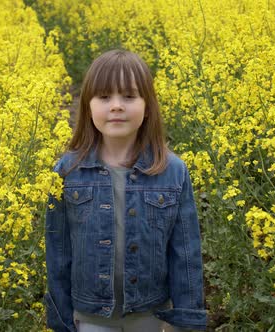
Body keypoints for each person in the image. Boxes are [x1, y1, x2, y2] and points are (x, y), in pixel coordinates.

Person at [44, 49, 207, 332]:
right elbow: (58, 251)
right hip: (90, 316)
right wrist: (61, 316)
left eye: (129, 97)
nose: (116, 106)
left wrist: (186, 320)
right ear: (87, 106)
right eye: (105, 97)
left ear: (148, 106)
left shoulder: (173, 171)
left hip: (150, 314)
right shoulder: (67, 171)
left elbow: (185, 252)